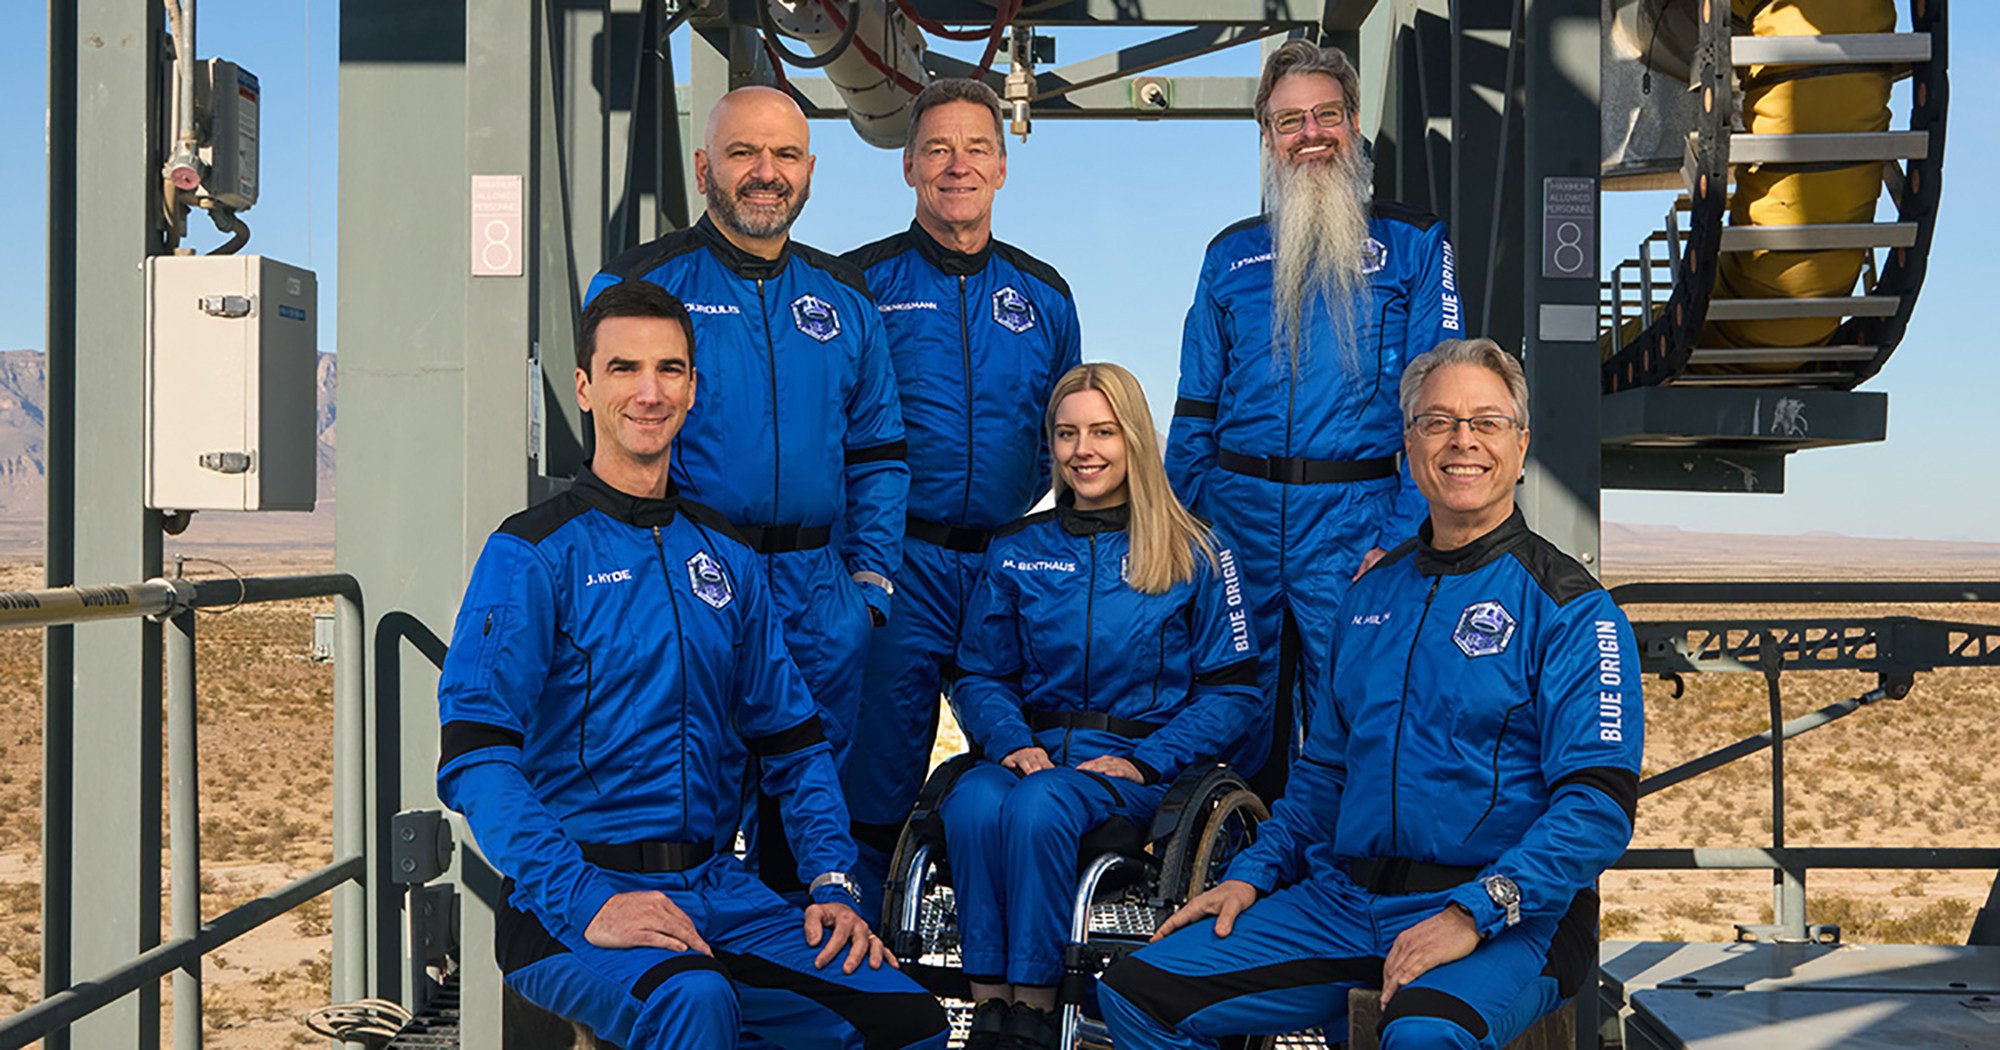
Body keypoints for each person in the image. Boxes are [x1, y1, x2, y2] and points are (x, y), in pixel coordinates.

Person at [434, 281, 946, 1050]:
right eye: (624, 370)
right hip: (572, 904)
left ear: (693, 387)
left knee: (908, 1023)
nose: (649, 391)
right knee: (696, 1003)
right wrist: (584, 900)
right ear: (584, 386)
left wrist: (831, 881)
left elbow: (792, 737)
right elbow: (475, 760)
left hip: (717, 890)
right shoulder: (533, 553)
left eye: (670, 370)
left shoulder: (726, 554)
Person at [1101, 339, 1642, 1050]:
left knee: (1421, 1039)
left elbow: (1597, 809)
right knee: (1135, 994)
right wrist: (1253, 877)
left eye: (1486, 421)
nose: (1463, 441)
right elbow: (1324, 774)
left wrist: (1472, 912)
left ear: (1521, 442)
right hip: (1346, 905)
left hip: (1509, 917)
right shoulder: (1367, 599)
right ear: (1408, 443)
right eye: (1438, 421)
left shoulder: (1572, 610)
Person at [584, 86, 908, 891]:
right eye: (743, 154)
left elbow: (879, 454)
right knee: (682, 815)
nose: (766, 173)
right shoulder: (641, 286)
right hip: (695, 589)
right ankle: (688, 1003)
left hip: (819, 597)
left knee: (810, 820)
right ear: (704, 168)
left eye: (785, 155)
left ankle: (798, 999)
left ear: (808, 172)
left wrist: (866, 588)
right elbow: (610, 446)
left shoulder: (845, 299)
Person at [1166, 40, 1462, 791]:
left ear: (1354, 122)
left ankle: (1347, 896)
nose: (1310, 135)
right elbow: (1194, 412)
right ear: (1267, 136)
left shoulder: (1414, 246)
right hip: (1239, 524)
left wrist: (1402, 537)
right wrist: (1190, 531)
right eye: (1289, 120)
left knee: (1361, 724)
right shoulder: (1226, 256)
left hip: (1357, 526)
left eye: (1326, 115)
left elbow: (1441, 408)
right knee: (1231, 726)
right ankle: (1237, 888)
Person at [943, 362, 1261, 1050]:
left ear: (1135, 440)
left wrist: (1147, 762)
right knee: (970, 801)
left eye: (1102, 432)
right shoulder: (1017, 550)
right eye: (1067, 434)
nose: (1083, 450)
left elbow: (1235, 693)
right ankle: (989, 1010)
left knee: (1040, 805)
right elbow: (977, 674)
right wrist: (1008, 740)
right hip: (1029, 756)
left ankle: (1032, 1013)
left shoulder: (1198, 550)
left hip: (1138, 773)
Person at [841, 78, 1083, 922]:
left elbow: (1073, 442)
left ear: (1003, 168)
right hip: (898, 565)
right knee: (872, 785)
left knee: (1018, 781)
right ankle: (859, 982)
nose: (957, 166)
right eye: (937, 149)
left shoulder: (1045, 294)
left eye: (976, 148)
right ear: (907, 165)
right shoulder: (858, 284)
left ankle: (1011, 990)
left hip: (1009, 569)